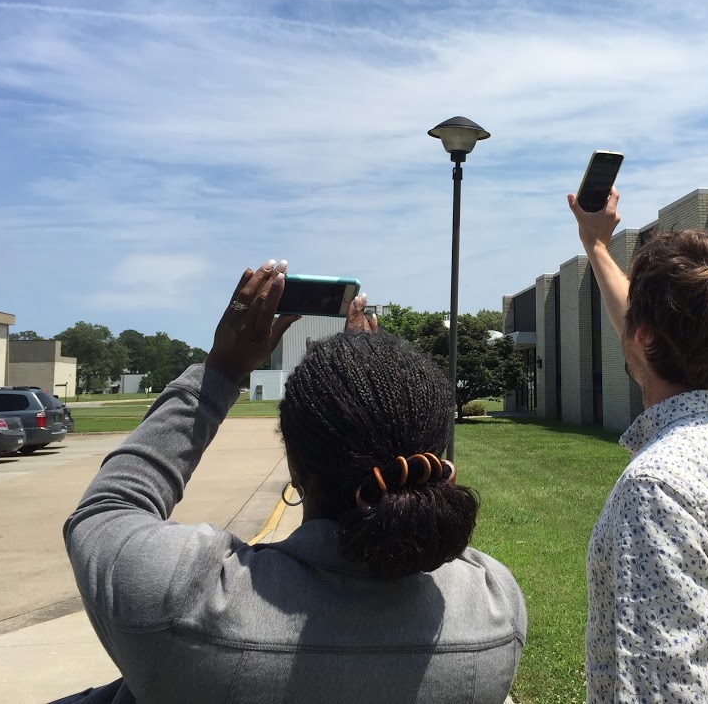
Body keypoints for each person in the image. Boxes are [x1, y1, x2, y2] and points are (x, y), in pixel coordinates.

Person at [59, 260, 526, 704]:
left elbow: (108, 507)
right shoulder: (494, 608)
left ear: (296, 466)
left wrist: (221, 369)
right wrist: (375, 383)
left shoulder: (179, 603)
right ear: (432, 461)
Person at [569, 188, 708, 702]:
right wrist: (597, 247)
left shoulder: (658, 490)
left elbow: (661, 688)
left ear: (642, 337)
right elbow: (649, 332)